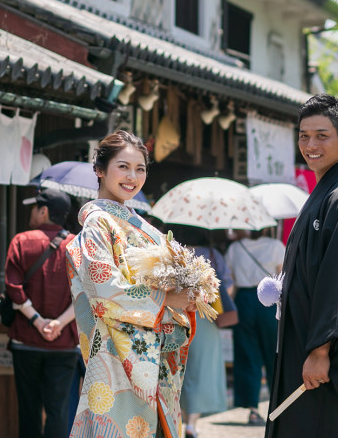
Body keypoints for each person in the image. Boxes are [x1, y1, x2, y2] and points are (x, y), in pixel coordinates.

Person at [265, 94, 338, 438]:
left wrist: (320, 350)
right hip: (304, 342)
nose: (310, 144)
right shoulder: (327, 192)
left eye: (321, 135)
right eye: (304, 136)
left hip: (326, 359)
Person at [67, 131, 197, 438]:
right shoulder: (97, 223)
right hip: (114, 351)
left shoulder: (141, 225)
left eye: (140, 169)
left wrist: (189, 293)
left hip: (153, 352)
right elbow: (104, 290)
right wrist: (166, 299)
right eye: (123, 167)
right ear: (99, 170)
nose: (132, 177)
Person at [4, 187, 80, 438]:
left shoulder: (22, 241)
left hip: (26, 340)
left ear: (44, 211)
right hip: (65, 342)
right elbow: (87, 294)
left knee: (29, 410)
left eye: (35, 207)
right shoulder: (78, 246)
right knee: (58, 411)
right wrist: (58, 323)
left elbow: (13, 288)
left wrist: (37, 321)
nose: (32, 212)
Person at [170, 224, 234, 438]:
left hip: (177, 315)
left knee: (180, 367)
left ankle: (178, 420)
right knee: (202, 369)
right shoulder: (213, 254)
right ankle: (192, 424)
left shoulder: (175, 253)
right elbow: (229, 286)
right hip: (206, 317)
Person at [225, 228, 286, 425]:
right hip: (269, 301)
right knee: (274, 354)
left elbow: (231, 280)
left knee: (247, 354)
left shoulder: (235, 248)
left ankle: (252, 409)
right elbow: (283, 275)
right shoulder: (276, 246)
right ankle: (278, 406)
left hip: (243, 301)